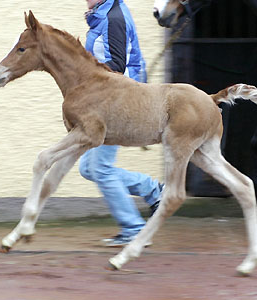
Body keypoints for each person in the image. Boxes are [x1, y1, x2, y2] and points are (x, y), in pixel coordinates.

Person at [80, 0, 163, 247]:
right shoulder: (104, 14)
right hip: (108, 101)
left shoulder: (112, 18)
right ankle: (154, 190)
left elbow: (117, 66)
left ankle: (135, 230)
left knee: (101, 169)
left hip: (116, 104)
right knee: (89, 168)